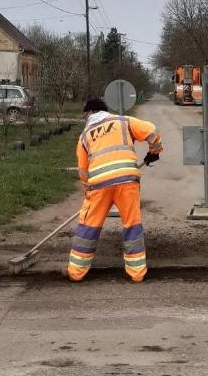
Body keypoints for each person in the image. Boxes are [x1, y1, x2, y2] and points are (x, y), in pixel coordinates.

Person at [68, 98, 163, 283]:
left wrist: (88, 192)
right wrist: (154, 151)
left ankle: (76, 272)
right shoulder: (123, 121)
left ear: (90, 113)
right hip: (127, 181)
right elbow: (152, 131)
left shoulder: (84, 136)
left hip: (99, 185)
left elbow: (83, 170)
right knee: (132, 225)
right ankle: (136, 274)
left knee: (89, 226)